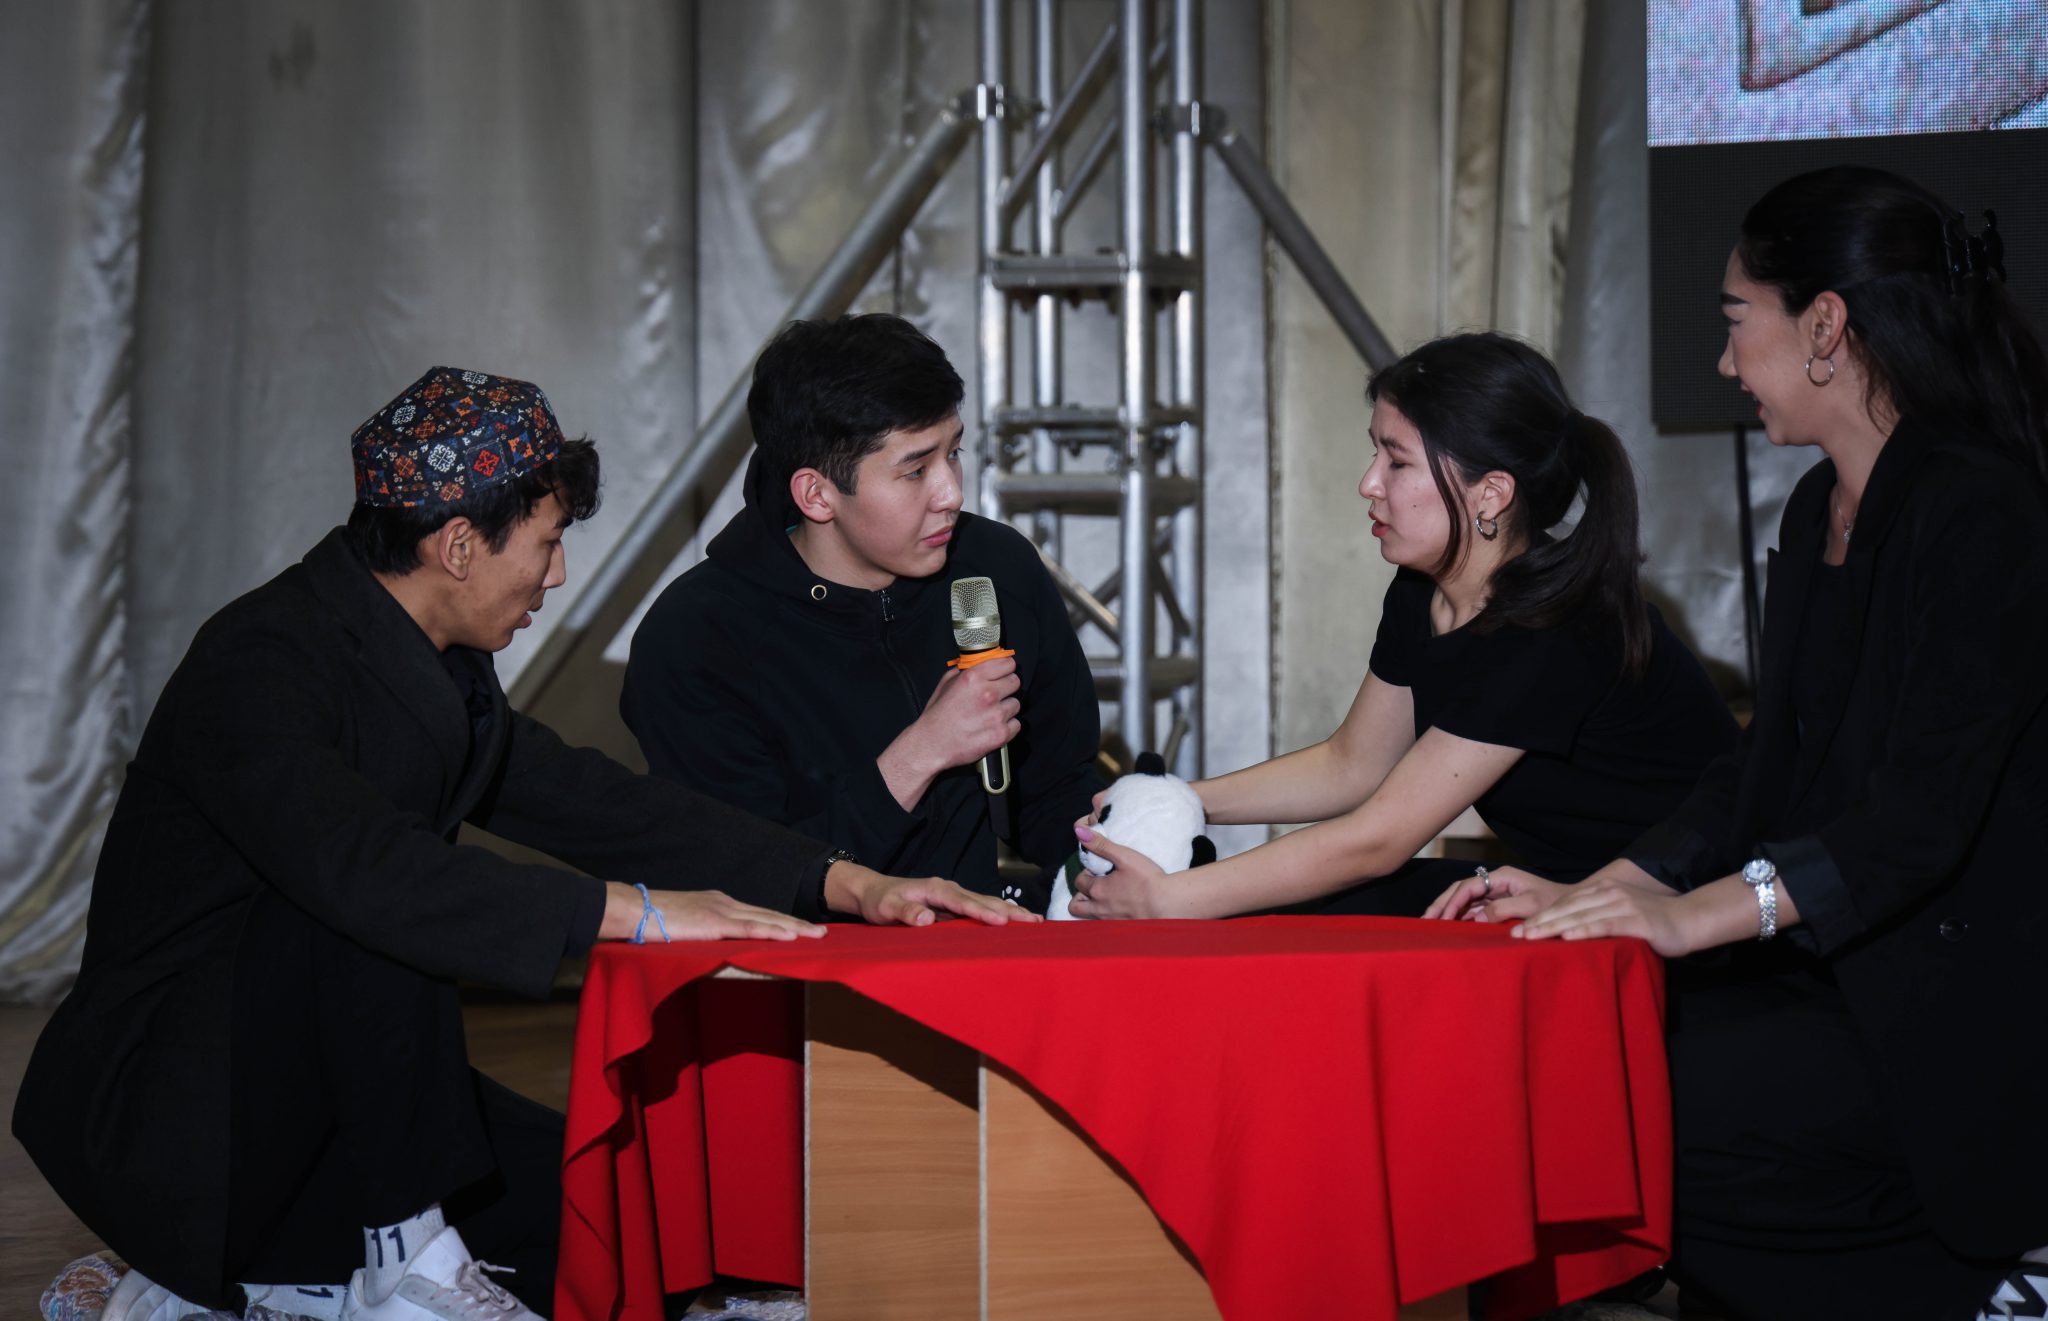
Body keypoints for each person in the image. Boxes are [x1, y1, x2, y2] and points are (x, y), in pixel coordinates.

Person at [13, 367, 1024, 1321]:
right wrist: (642, 914)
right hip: (181, 1108)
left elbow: (602, 805)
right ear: (459, 546)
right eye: (544, 543)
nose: (556, 572)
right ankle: (374, 1259)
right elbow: (368, 871)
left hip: (339, 1098)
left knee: (611, 1217)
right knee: (384, 894)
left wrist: (845, 880)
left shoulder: (440, 668)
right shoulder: (260, 661)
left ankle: (209, 1288)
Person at [1429, 167, 2048, 1320]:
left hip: (1948, 1015)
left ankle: (1994, 1283)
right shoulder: (1819, 510)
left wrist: (1688, 919)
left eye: (1733, 321)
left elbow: (1913, 822)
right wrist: (1605, 888)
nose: (1722, 362)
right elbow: (1759, 773)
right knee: (1559, 1069)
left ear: (1823, 327)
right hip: (1826, 978)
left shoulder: (1981, 512)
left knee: (1636, 1113)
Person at [1068, 333, 1737, 920]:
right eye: (1375, 454)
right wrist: (1174, 800)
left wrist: (1171, 898)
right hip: (1566, 889)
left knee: (1291, 910)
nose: (1369, 483)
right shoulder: (1423, 591)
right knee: (1300, 911)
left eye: (1397, 461)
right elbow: (1352, 765)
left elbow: (1379, 839)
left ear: (1491, 493)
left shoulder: (1553, 625)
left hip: (1688, 913)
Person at [622, 314, 1103, 912]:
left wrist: (1120, 861)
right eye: (915, 470)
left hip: (976, 944)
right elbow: (741, 874)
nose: (952, 493)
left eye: (954, 453)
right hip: (798, 961)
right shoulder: (697, 635)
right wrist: (921, 753)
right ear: (817, 495)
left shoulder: (994, 566)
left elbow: (1055, 789)